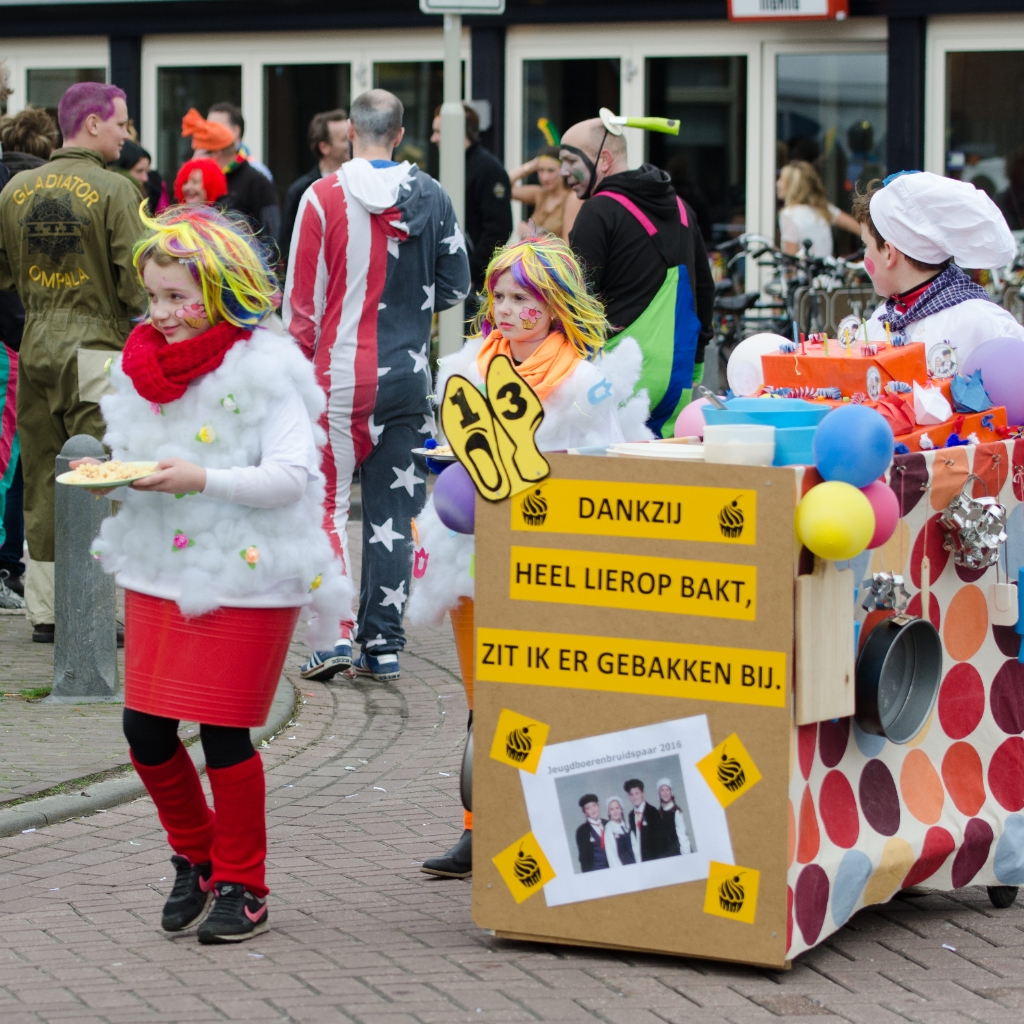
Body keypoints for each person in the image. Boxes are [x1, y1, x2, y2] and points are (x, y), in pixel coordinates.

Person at [78, 205, 348, 945]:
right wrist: (113, 476)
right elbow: (144, 458)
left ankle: (244, 884)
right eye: (153, 296)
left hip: (248, 576)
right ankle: (195, 856)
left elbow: (293, 475)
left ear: (221, 290)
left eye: (175, 297)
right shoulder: (140, 362)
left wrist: (201, 478)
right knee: (144, 730)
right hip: (162, 568)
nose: (160, 313)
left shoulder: (266, 366)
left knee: (226, 735)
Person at [409, 236, 652, 880]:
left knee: (540, 694)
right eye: (501, 297)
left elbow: (604, 472)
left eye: (525, 298)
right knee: (480, 694)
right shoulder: (464, 366)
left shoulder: (581, 380)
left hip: (548, 557)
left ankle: (546, 826)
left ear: (554, 305)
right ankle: (477, 828)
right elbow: (450, 451)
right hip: (470, 552)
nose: (510, 310)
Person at [284, 88, 470, 685]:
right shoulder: (434, 196)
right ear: (399, 132)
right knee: (394, 508)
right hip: (408, 377)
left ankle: (334, 634)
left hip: (337, 378)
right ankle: (383, 645)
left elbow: (301, 306)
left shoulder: (320, 198)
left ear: (348, 137)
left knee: (330, 507)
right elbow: (456, 283)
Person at [0, 81, 145, 640]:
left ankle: (45, 610)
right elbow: (137, 282)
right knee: (96, 472)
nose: (125, 134)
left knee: (39, 472)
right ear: (91, 123)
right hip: (98, 349)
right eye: (121, 124)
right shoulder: (115, 191)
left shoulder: (15, 190)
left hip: (34, 341)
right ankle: (87, 606)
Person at [560, 117, 715, 437]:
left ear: (603, 160)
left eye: (571, 161)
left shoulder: (597, 211)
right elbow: (705, 289)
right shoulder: (683, 208)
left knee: (610, 477)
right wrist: (697, 363)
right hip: (677, 376)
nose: (564, 173)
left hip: (617, 375)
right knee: (662, 476)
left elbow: (576, 302)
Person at [854, 171, 1024, 373]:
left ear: (889, 253)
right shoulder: (879, 323)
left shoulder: (981, 323)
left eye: (866, 245)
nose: (865, 255)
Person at [431, 103, 512, 301]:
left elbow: (498, 228)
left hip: (472, 286)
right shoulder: (453, 166)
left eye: (438, 132)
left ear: (459, 133)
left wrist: (472, 273)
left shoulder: (488, 169)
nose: (433, 139)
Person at [184, 105, 280, 250]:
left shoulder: (257, 181)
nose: (207, 133)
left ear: (235, 132)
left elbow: (272, 237)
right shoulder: (195, 176)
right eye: (206, 127)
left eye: (215, 128)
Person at [280, 109, 349, 259]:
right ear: (324, 147)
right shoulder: (301, 191)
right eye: (344, 139)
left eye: (351, 137)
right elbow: (289, 246)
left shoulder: (361, 184)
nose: (350, 144)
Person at [776, 160, 860, 258]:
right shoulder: (822, 208)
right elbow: (859, 227)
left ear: (792, 185)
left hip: (805, 273)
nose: (777, 183)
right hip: (826, 271)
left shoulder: (788, 215)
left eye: (781, 179)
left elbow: (790, 263)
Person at [507, 146, 581, 243]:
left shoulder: (572, 198)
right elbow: (503, 186)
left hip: (554, 257)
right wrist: (530, 166)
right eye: (541, 170)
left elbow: (568, 245)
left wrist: (534, 235)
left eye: (551, 171)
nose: (545, 177)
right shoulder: (540, 194)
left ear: (564, 171)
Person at [111, 139, 168, 217]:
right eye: (139, 171)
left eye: (147, 171)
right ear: (121, 171)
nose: (145, 178)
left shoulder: (153, 194)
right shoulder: (111, 202)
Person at [624, 778, 675, 863]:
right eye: (631, 794)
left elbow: (661, 841)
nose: (634, 797)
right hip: (640, 860)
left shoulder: (652, 812)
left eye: (637, 793)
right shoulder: (631, 815)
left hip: (654, 859)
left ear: (643, 793)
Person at [656, 778, 692, 855]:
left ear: (671, 792)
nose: (665, 793)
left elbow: (683, 837)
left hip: (678, 853)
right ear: (659, 793)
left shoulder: (676, 812)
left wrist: (687, 856)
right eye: (662, 790)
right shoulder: (658, 813)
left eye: (667, 789)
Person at [575, 794, 609, 872]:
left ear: (598, 807)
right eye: (588, 808)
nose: (592, 809)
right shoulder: (582, 831)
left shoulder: (608, 824)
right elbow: (584, 858)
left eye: (594, 805)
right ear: (584, 812)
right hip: (596, 870)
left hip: (613, 866)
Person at [604, 796, 635, 868]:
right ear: (608, 812)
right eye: (612, 809)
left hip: (633, 861)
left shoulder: (627, 825)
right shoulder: (609, 829)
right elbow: (611, 854)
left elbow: (634, 846)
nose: (615, 811)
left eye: (617, 808)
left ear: (621, 809)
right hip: (621, 865)